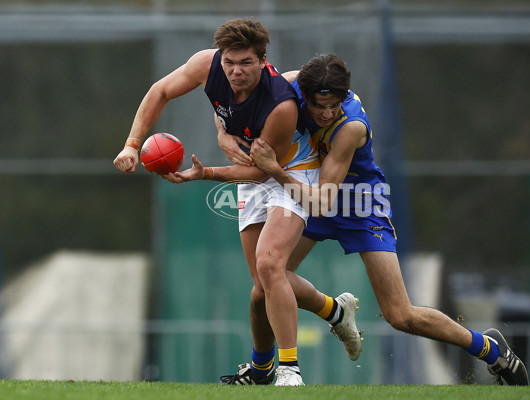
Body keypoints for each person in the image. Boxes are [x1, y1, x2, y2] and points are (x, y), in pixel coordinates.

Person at [249, 53, 529, 386]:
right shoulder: (291, 86)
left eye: (333, 105)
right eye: (317, 106)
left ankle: (491, 349)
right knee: (265, 282)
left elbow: (323, 202)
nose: (325, 114)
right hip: (313, 190)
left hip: (358, 205)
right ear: (303, 93)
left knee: (400, 315)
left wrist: (274, 169)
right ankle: (266, 365)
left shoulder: (349, 127)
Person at [113, 20, 362, 386]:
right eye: (230, 61)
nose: (235, 71)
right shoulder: (207, 65)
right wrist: (132, 144)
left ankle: (289, 369)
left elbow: (263, 173)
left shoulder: (281, 105)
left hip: (288, 169)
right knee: (261, 287)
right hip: (252, 165)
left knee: (270, 264)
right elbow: (160, 91)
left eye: (245, 62)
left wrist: (206, 174)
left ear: (263, 60)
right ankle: (322, 321)